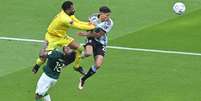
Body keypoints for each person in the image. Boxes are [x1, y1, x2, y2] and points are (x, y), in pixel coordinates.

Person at [32, 1, 95, 75]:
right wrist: (93, 26)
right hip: (52, 38)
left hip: (62, 37)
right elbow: (77, 26)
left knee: (80, 49)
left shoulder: (68, 14)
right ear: (67, 10)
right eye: (72, 9)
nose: (74, 10)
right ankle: (37, 65)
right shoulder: (64, 18)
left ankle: (76, 66)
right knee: (43, 57)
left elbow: (78, 22)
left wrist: (89, 24)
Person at [77, 6, 114, 90]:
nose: (108, 17)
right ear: (101, 13)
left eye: (109, 15)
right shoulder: (93, 17)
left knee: (98, 65)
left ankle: (83, 79)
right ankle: (80, 54)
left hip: (101, 43)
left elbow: (98, 34)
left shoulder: (109, 23)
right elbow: (88, 28)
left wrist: (85, 34)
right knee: (88, 53)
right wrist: (87, 33)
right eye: (106, 15)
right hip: (91, 39)